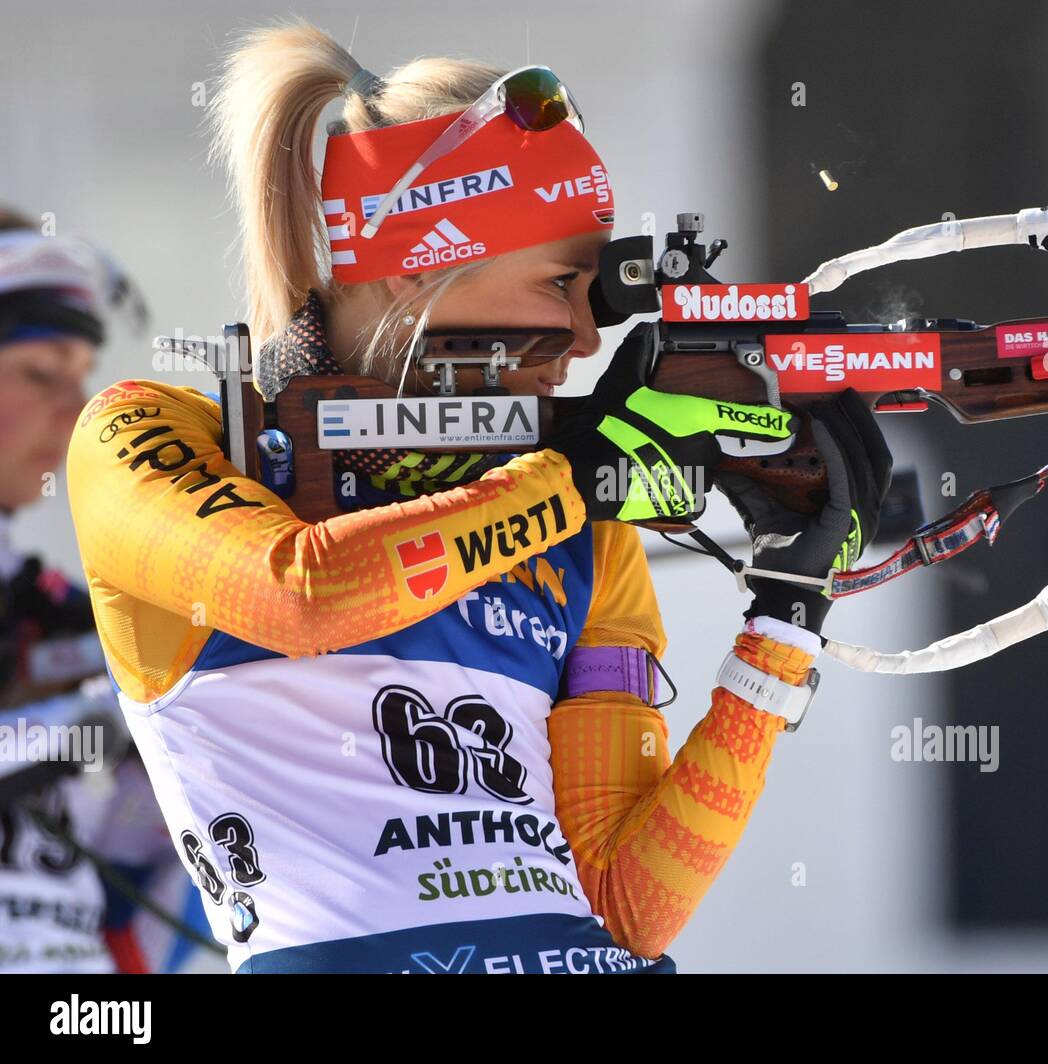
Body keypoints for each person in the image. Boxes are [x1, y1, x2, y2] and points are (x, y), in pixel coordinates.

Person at [65, 19, 892, 974]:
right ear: (418, 259)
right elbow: (298, 596)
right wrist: (576, 477)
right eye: (560, 284)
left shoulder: (579, 519)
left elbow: (624, 908)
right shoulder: (155, 436)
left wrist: (786, 617)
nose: (586, 340)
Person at [0, 206, 191, 973]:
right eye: (41, 374)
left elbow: (155, 851)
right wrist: (71, 725)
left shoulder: (65, 616)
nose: (74, 412)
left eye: (81, 379)